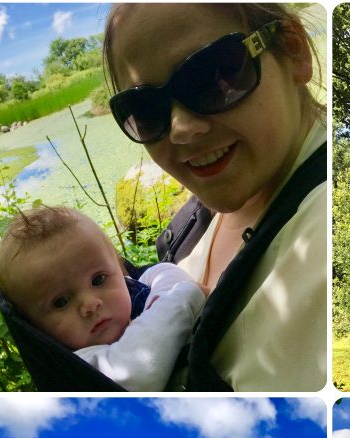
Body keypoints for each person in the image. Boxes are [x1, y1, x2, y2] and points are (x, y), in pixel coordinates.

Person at [102, 3, 326, 391]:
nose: (181, 129)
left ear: (293, 50)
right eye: (145, 109)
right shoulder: (207, 211)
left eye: (212, 76)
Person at [0, 206, 205, 391]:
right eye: (61, 302)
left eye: (98, 279)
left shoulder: (132, 287)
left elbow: (162, 271)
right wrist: (183, 297)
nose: (90, 304)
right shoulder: (83, 366)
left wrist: (171, 295)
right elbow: (138, 376)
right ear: (36, 329)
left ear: (120, 267)